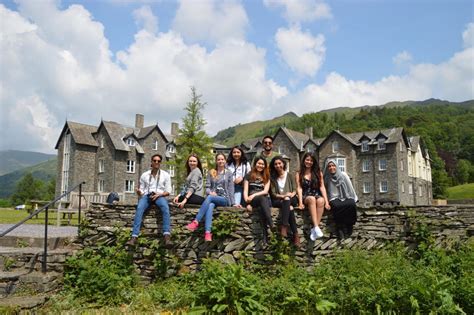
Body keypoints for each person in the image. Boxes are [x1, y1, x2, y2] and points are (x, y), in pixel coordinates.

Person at [186, 153, 237, 241]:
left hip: (224, 199)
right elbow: (207, 187)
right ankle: (208, 233)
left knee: (209, 198)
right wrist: (211, 192)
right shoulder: (212, 172)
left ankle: (196, 221)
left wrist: (233, 203)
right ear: (216, 161)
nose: (220, 161)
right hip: (213, 198)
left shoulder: (228, 173)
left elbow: (231, 189)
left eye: (222, 159)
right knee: (210, 205)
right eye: (218, 159)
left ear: (225, 161)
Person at [127, 154, 172, 247]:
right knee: (139, 208)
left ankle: (167, 235)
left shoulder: (166, 175)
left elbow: (168, 191)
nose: (156, 162)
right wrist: (139, 192)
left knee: (165, 207)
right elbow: (142, 191)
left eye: (158, 161)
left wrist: (159, 194)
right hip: (148, 195)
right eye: (154, 160)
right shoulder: (144, 175)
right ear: (151, 162)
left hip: (159, 195)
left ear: (160, 163)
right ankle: (134, 237)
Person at [296, 152, 330, 241]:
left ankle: (315, 229)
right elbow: (299, 188)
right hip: (306, 196)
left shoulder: (318, 173)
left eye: (311, 160)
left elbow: (322, 187)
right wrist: (300, 203)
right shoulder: (299, 173)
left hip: (316, 194)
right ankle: (316, 227)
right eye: (307, 160)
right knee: (311, 199)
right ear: (303, 160)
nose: (309, 162)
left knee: (321, 201)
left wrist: (327, 202)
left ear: (314, 162)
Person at [269, 156, 301, 247]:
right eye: (275, 164)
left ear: (283, 164)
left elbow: (295, 189)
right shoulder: (272, 178)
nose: (278, 165)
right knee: (289, 208)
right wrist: (283, 196)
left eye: (279, 163)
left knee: (288, 200)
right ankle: (296, 235)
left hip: (292, 198)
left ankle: (284, 225)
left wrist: (290, 194)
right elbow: (274, 193)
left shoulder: (290, 175)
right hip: (279, 200)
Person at [323, 159, 358, 239]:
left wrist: (354, 197)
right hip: (333, 197)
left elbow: (350, 187)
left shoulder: (343, 175)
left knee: (351, 204)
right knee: (337, 206)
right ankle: (340, 227)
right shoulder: (327, 178)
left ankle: (350, 224)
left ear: (336, 166)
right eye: (329, 166)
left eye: (333, 165)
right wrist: (326, 202)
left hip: (346, 195)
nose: (331, 168)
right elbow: (324, 190)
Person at [243, 156, 273, 243]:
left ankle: (265, 236)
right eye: (259, 163)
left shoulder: (267, 176)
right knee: (262, 200)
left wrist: (254, 195)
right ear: (255, 164)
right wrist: (247, 200)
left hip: (262, 198)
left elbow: (265, 191)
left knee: (262, 207)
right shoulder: (248, 175)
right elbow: (245, 190)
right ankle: (270, 223)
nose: (261, 165)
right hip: (253, 200)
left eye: (263, 164)